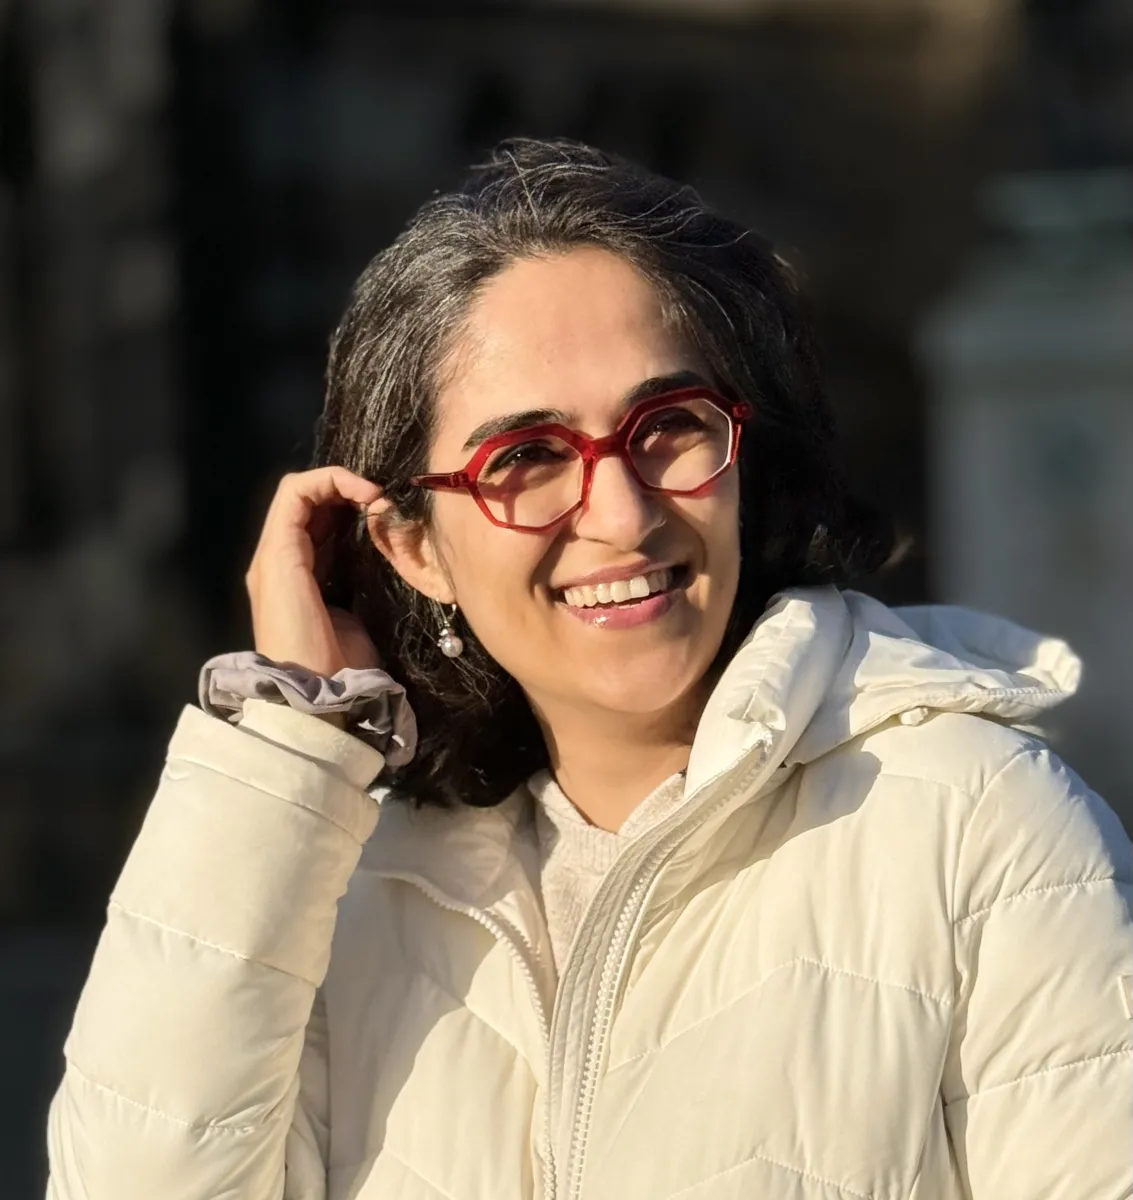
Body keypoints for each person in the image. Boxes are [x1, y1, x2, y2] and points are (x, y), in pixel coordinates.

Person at [46, 138, 1131, 1200]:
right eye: (525, 458)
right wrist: (289, 744)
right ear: (412, 546)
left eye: (667, 427)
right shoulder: (345, 894)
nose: (620, 513)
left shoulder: (978, 827)